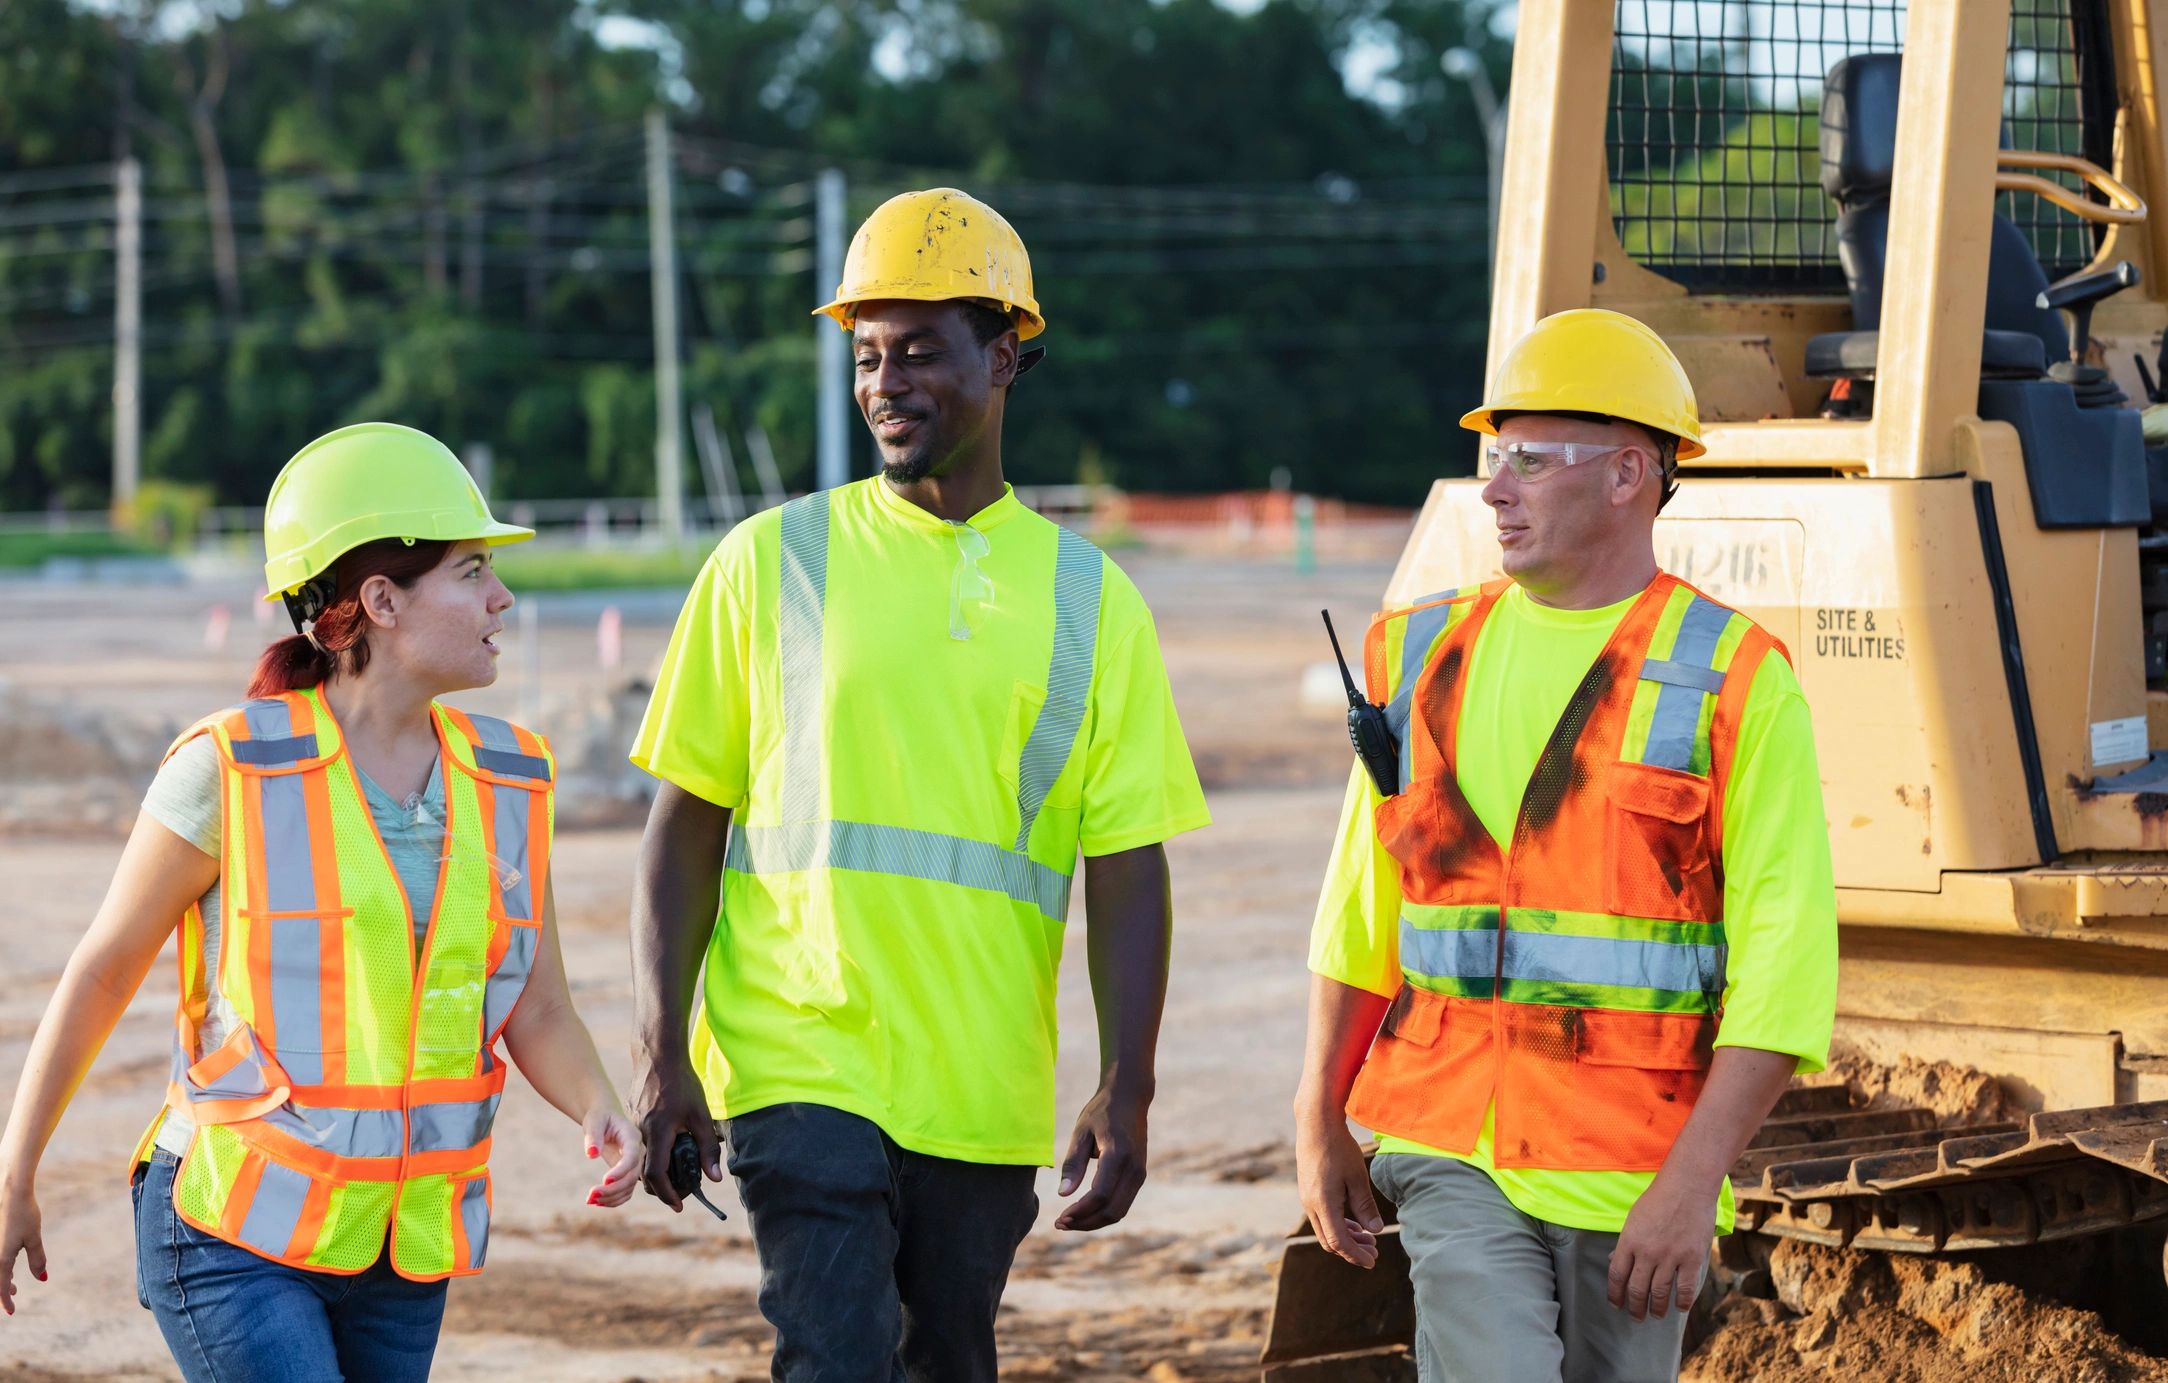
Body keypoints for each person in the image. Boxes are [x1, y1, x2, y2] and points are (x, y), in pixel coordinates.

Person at [626, 187, 1211, 1382]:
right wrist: (663, 1053)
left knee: (946, 1361)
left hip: (979, 1088)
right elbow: (683, 826)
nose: (884, 382)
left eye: (918, 352)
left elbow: (1127, 863)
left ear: (1003, 358)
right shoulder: (768, 563)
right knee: (833, 1357)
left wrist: (1126, 1084)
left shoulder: (1090, 602)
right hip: (799, 1059)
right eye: (865, 356)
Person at [0, 423, 642, 1381]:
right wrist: (16, 1171)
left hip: (400, 1243)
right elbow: (101, 969)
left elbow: (536, 1004)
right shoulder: (230, 767)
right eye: (471, 571)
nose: (502, 596)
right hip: (229, 1228)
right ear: (380, 600)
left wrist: (601, 1104)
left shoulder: (512, 779)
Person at [1293, 309, 1838, 1382]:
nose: (1492, 488)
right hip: (1449, 1143)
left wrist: (1691, 1185)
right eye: (1491, 458)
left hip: (1633, 1170)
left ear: (1630, 473)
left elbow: (1785, 965)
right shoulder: (1413, 652)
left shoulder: (1731, 678)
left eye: (1527, 461)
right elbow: (1363, 905)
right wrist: (1316, 1112)